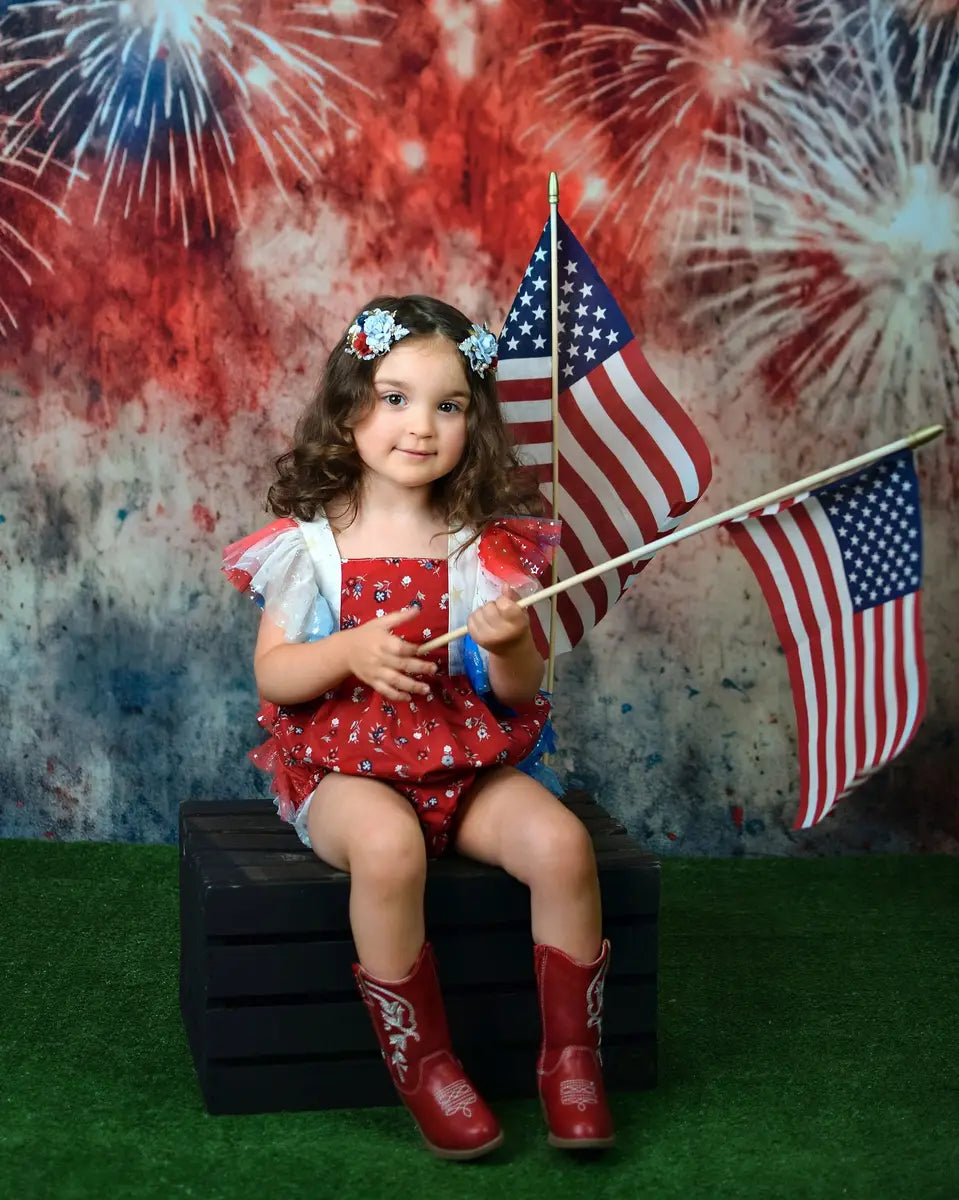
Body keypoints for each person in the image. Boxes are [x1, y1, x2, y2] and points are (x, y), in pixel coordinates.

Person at [223, 295, 614, 1159]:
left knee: (560, 846)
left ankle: (572, 1057)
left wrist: (510, 645)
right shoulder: (314, 544)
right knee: (391, 849)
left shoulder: (482, 545)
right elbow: (275, 673)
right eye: (395, 398)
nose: (420, 426)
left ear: (474, 422)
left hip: (461, 765)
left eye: (448, 406)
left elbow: (513, 695)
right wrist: (349, 652)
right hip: (344, 775)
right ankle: (426, 1062)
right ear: (349, 404)